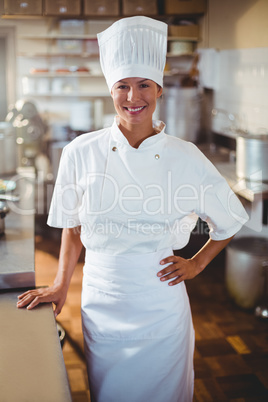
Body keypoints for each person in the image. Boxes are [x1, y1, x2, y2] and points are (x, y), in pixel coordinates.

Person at [17, 16, 248, 402]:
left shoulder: (184, 156)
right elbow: (72, 228)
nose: (132, 97)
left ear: (158, 89)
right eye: (122, 86)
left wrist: (196, 263)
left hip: (160, 304)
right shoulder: (80, 152)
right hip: (102, 299)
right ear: (111, 90)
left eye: (143, 85)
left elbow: (228, 221)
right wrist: (60, 285)